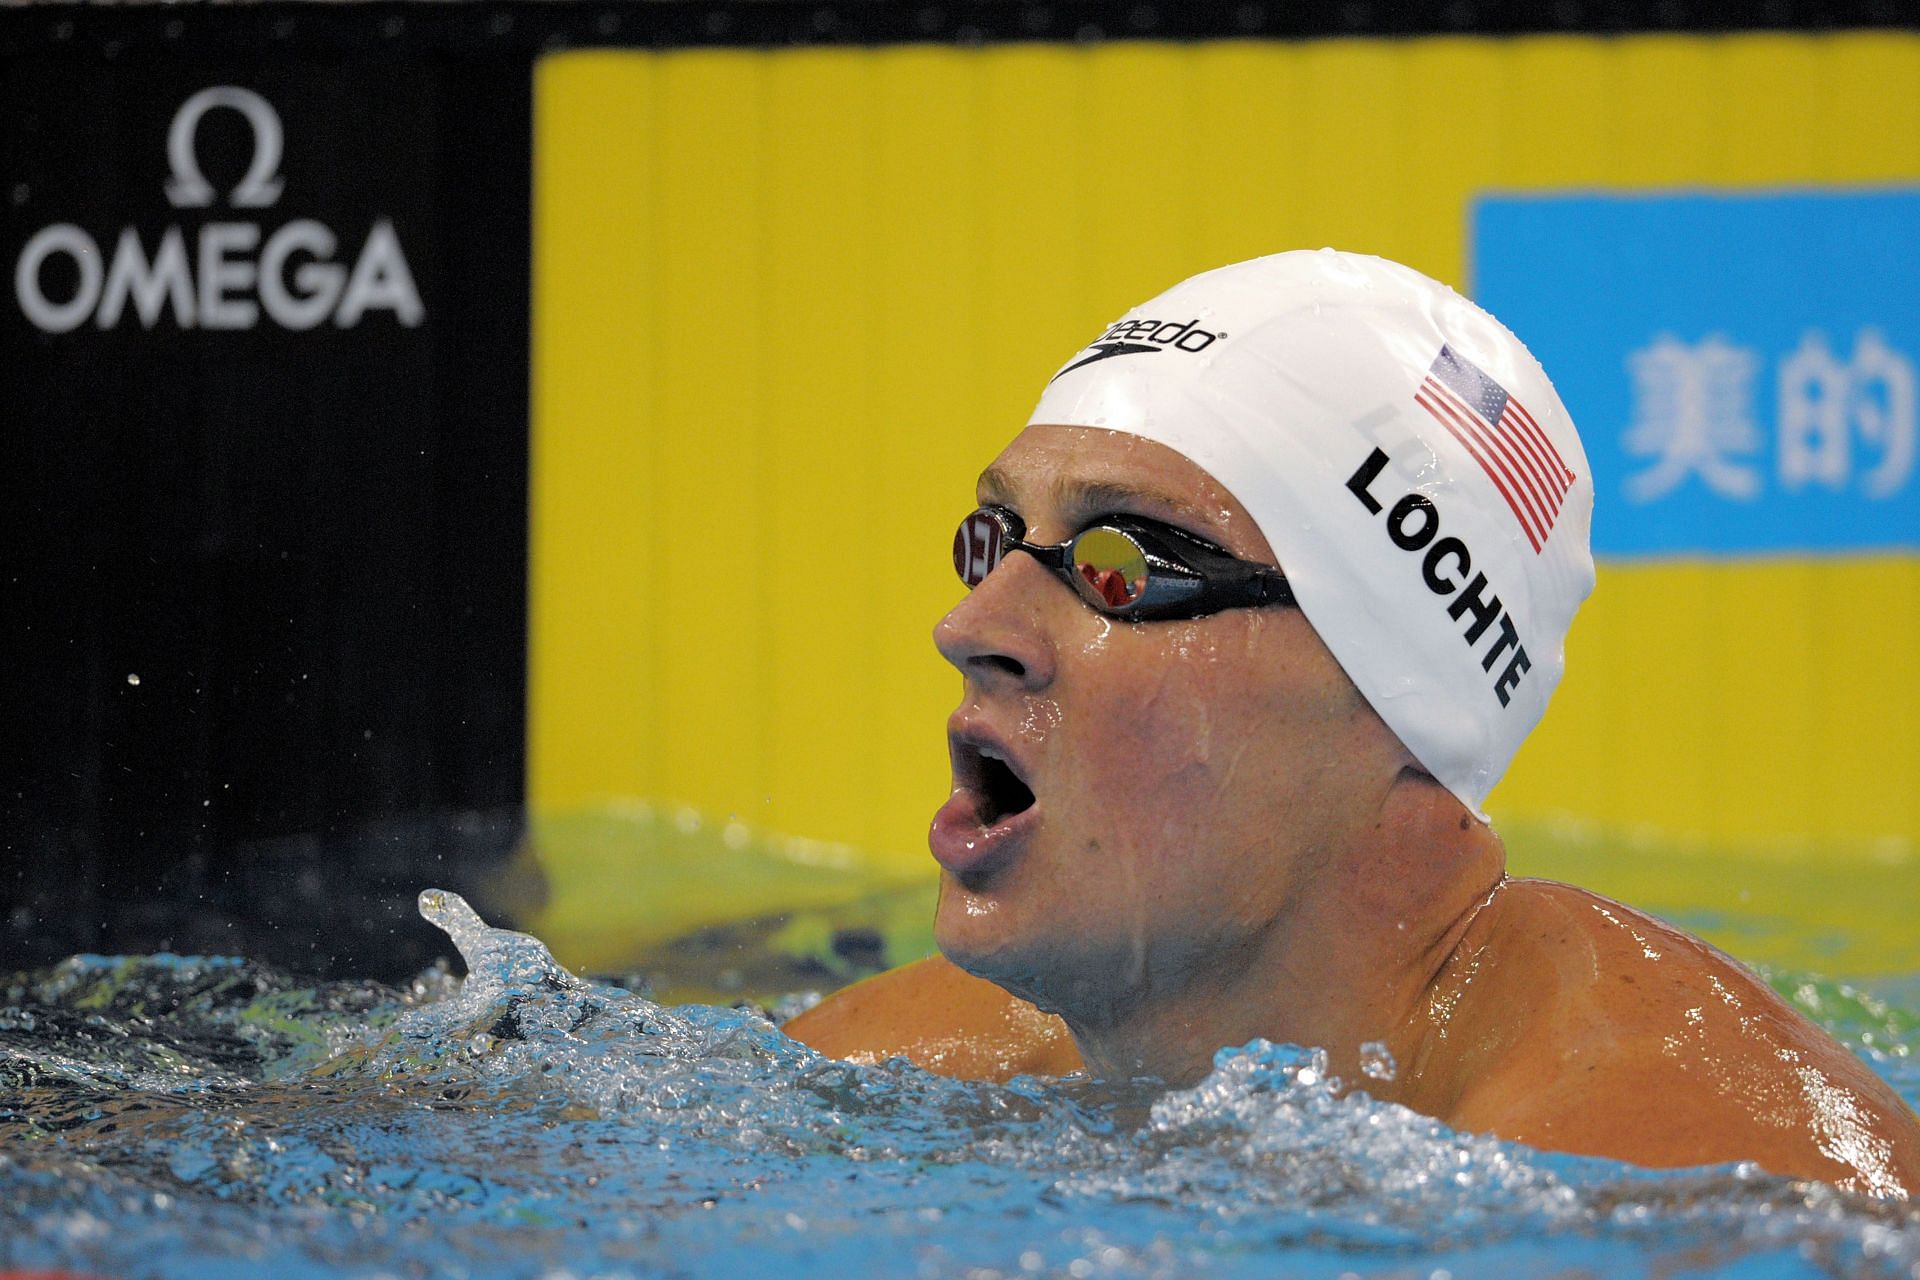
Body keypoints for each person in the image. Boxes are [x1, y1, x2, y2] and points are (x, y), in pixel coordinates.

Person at [784, 250, 1920, 1198]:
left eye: (1120, 563)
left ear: (1400, 697)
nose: (971, 623)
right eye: (994, 537)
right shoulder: (914, 1066)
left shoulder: (1696, 1177)